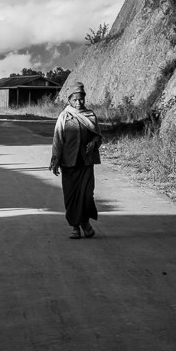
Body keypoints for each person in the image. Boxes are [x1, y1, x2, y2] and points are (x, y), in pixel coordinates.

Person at [49, 81, 103, 239]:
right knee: (72, 197)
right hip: (69, 164)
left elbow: (98, 136)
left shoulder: (91, 115)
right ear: (69, 100)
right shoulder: (64, 117)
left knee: (87, 196)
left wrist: (94, 143)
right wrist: (55, 160)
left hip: (86, 163)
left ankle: (85, 223)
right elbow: (57, 140)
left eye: (81, 99)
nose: (79, 102)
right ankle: (75, 227)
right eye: (75, 100)